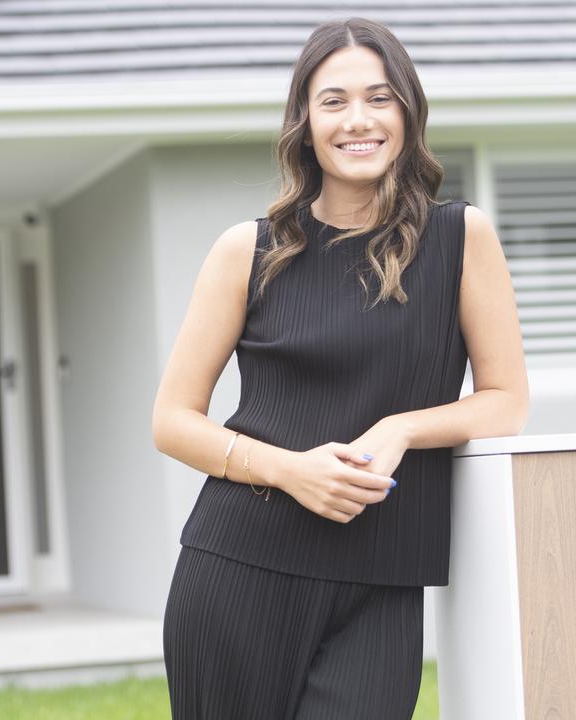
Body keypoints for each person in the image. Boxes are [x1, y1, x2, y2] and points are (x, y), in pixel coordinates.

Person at [150, 16, 529, 720]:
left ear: (408, 114)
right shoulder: (248, 250)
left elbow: (506, 400)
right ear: (306, 122)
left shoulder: (461, 238)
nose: (359, 120)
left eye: (380, 98)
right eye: (334, 101)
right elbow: (172, 423)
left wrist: (404, 427)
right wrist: (289, 470)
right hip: (239, 567)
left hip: (382, 581)